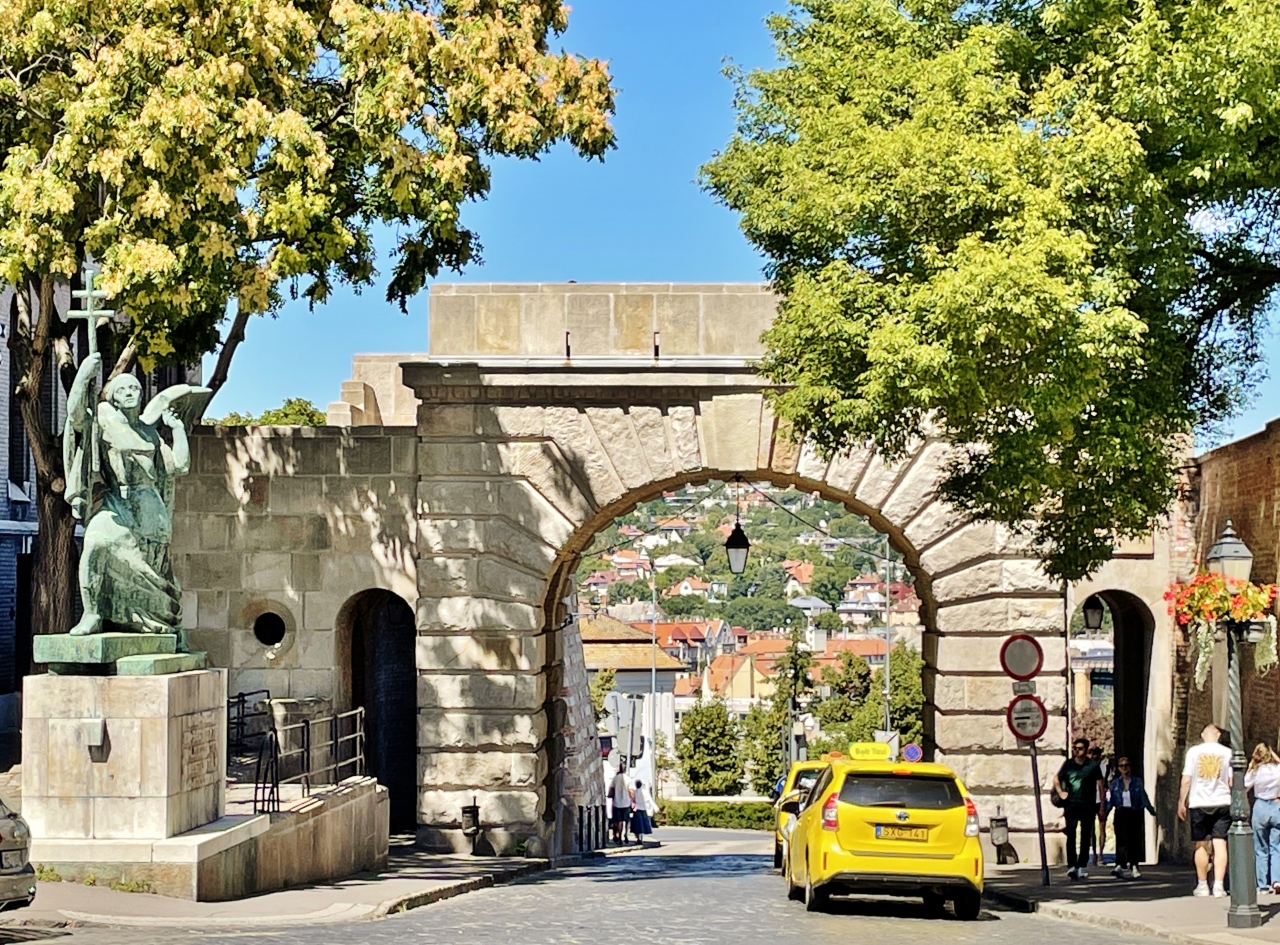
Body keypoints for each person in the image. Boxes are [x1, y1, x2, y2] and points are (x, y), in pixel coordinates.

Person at [1179, 722, 1234, 897]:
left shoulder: (1193, 752)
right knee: (1220, 843)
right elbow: (1231, 780)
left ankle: (1202, 885)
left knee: (1201, 843)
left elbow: (1187, 779)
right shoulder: (1227, 753)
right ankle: (1219, 885)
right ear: (1218, 735)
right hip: (1222, 801)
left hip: (1199, 802)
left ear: (1203, 735)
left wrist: (1181, 801)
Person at [1055, 738, 1103, 880]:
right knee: (1071, 834)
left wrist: (1102, 806)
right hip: (1071, 804)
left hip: (1088, 805)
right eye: (1075, 748)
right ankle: (1072, 866)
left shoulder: (1092, 765)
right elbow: (1056, 778)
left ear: (1086, 750)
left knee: (1085, 835)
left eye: (1080, 748)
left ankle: (1082, 865)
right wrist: (1060, 792)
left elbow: (1100, 785)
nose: (1077, 751)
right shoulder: (1069, 764)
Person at [1104, 756, 1155, 879]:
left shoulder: (1137, 782)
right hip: (1121, 813)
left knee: (1134, 840)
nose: (1124, 768)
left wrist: (1150, 809)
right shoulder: (1115, 783)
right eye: (1121, 766)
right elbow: (1112, 800)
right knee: (1121, 840)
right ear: (1118, 768)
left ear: (1130, 767)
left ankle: (1134, 866)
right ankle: (1120, 865)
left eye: (1126, 765)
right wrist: (1104, 813)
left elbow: (1143, 796)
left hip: (1134, 813)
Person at [1245, 743, 1280, 894]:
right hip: (1276, 804)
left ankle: (1262, 884)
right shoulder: (1277, 769)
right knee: (1277, 846)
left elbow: (1245, 786)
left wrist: (1250, 766)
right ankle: (1276, 879)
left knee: (1260, 847)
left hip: (1260, 806)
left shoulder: (1255, 771)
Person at [1090, 746, 1109, 866]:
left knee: (1102, 828)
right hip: (1091, 801)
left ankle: (1100, 854)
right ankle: (1095, 854)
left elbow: (1103, 787)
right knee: (1091, 830)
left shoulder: (1104, 768)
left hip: (1100, 800)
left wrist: (1102, 804)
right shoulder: (1088, 769)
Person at [610, 763, 632, 845]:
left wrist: (610, 796)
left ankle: (619, 836)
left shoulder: (615, 778)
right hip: (626, 803)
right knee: (627, 820)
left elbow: (611, 790)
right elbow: (631, 791)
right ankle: (626, 834)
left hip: (617, 803)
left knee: (619, 821)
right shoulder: (628, 778)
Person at [630, 779, 655, 844]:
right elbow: (649, 800)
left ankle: (638, 838)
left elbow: (633, 800)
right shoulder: (644, 791)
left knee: (637, 826)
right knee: (642, 825)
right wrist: (655, 808)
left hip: (637, 809)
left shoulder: (635, 792)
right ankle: (640, 838)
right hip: (643, 809)